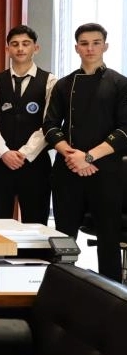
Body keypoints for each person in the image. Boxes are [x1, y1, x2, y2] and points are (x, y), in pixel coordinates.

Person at [43, 23, 127, 282]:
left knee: (108, 239)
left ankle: (113, 294)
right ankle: (59, 288)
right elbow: (50, 125)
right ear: (76, 48)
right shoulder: (64, 84)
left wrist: (88, 157)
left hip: (107, 172)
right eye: (84, 43)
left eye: (96, 43)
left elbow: (125, 130)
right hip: (68, 171)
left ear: (105, 46)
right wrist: (73, 156)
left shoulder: (120, 83)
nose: (90, 48)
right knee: (63, 238)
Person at [0, 25, 56, 224]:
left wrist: (25, 153)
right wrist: (4, 152)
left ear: (36, 48)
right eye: (15, 44)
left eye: (26, 44)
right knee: (0, 222)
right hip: (0, 163)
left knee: (36, 223)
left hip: (36, 164)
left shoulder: (50, 81)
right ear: (7, 49)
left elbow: (49, 123)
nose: (20, 48)